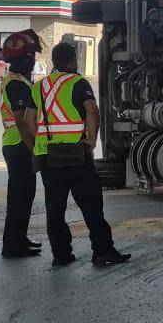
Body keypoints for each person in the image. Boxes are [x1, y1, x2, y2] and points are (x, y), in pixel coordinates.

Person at [35, 42, 130, 268]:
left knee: (54, 209)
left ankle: (61, 255)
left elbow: (30, 120)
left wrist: (36, 146)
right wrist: (92, 138)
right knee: (91, 205)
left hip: (49, 156)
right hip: (77, 155)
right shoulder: (78, 82)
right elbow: (92, 111)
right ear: (72, 61)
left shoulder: (38, 87)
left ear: (53, 62)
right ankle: (102, 251)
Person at [0, 30, 45, 259]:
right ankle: (12, 245)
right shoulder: (17, 84)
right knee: (19, 197)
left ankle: (19, 239)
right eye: (32, 55)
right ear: (25, 59)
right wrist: (34, 150)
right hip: (19, 146)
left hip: (15, 144)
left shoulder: (18, 80)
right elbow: (21, 120)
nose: (34, 59)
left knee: (24, 196)